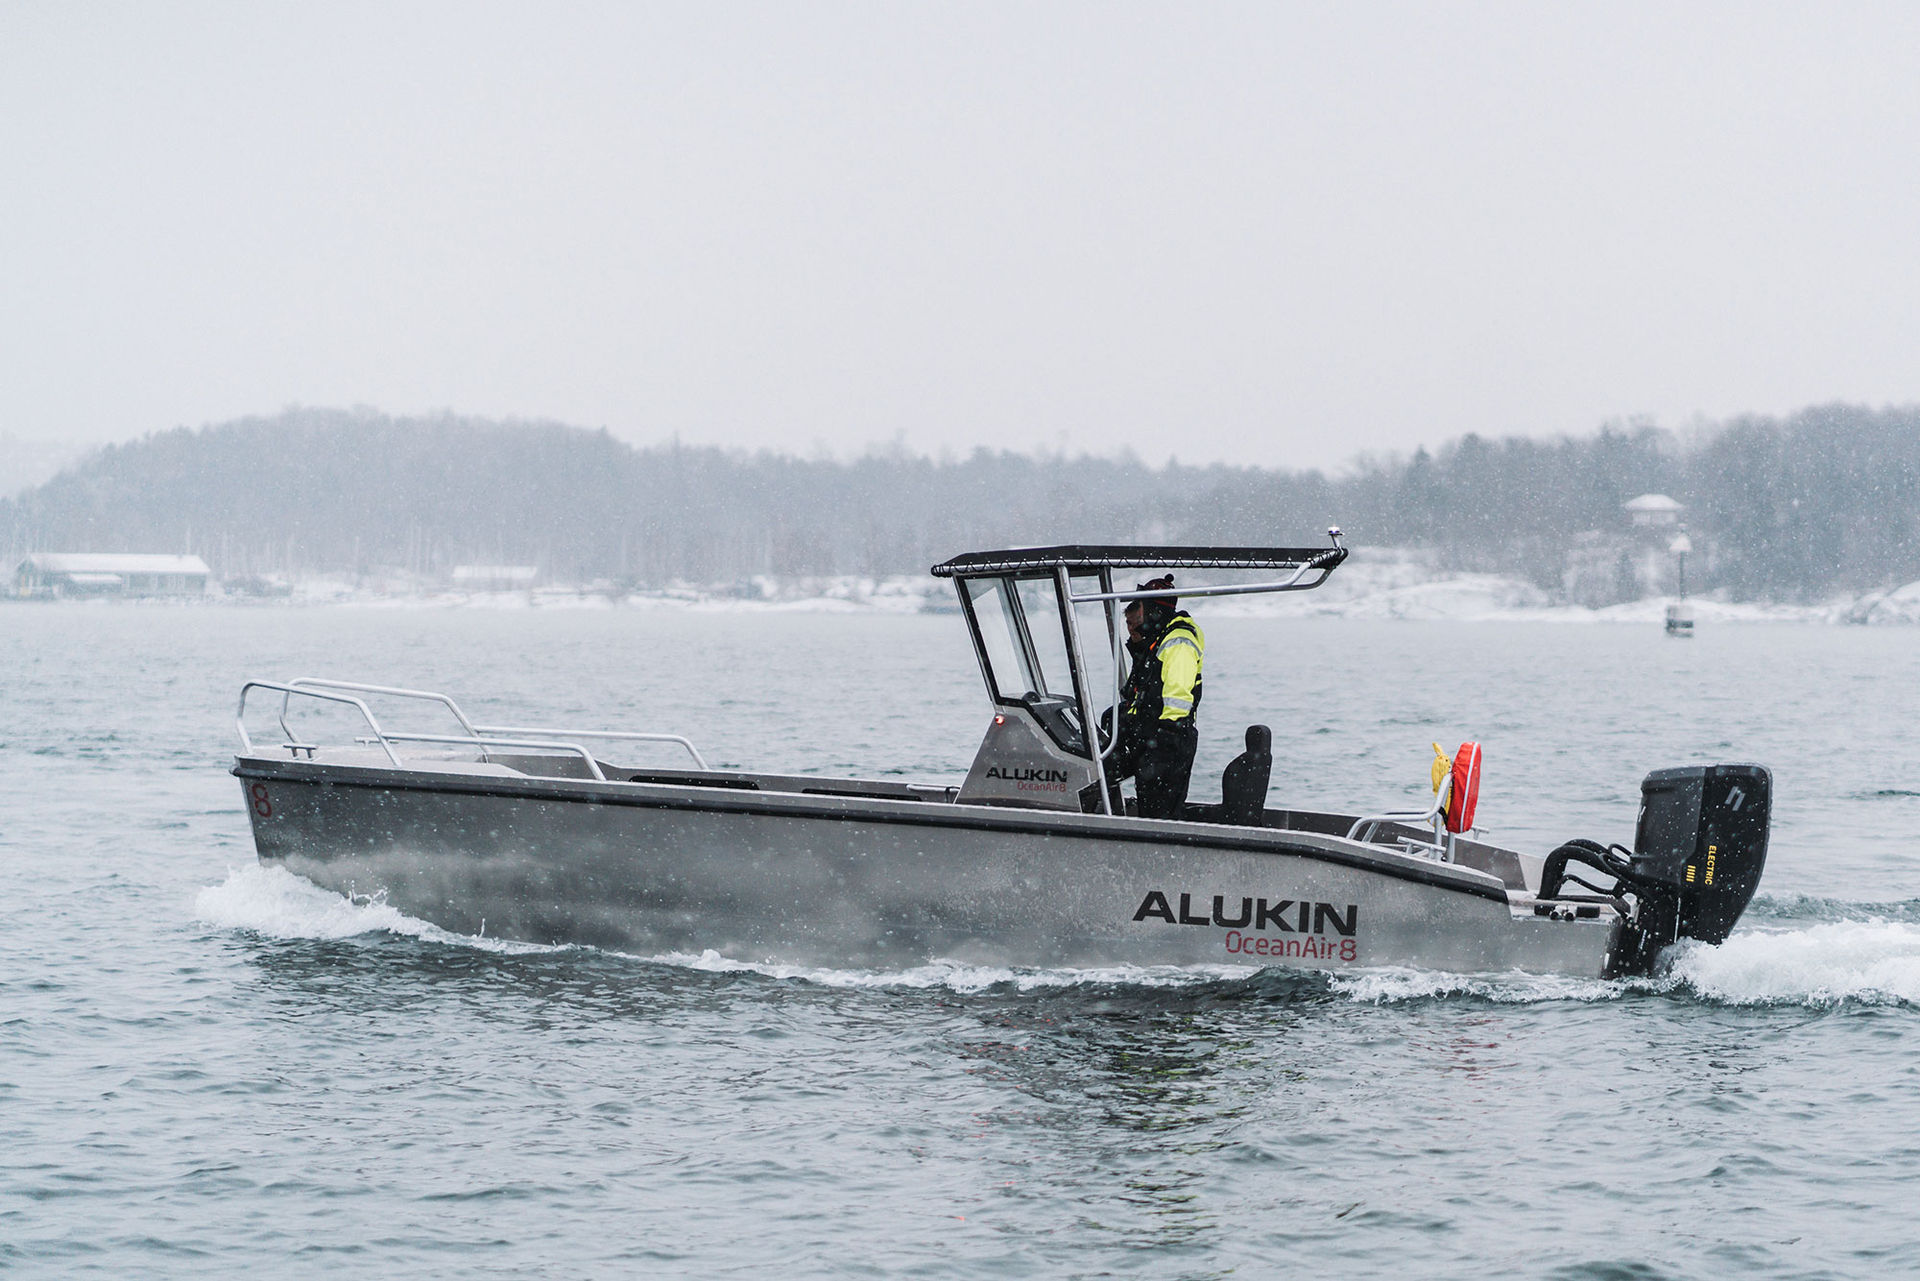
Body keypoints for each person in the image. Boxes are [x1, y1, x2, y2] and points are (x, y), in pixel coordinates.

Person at [1103, 574, 1205, 819]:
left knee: (1158, 814)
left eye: (1133, 622)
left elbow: (1177, 695)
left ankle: (1157, 850)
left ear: (1153, 615)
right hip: (1153, 738)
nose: (1130, 629)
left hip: (1169, 740)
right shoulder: (1155, 643)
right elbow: (1144, 692)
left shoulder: (1178, 642)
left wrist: (1167, 734)